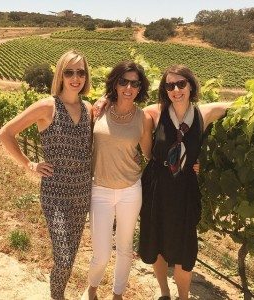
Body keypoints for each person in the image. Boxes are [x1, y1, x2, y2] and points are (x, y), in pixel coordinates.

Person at [0, 50, 93, 300]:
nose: (75, 77)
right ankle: (57, 296)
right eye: (69, 72)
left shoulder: (89, 108)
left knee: (70, 255)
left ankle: (58, 293)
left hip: (83, 192)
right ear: (61, 75)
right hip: (55, 194)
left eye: (80, 72)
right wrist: (28, 164)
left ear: (86, 75)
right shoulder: (47, 106)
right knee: (62, 256)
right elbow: (5, 133)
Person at [138, 64, 232, 300]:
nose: (176, 90)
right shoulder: (154, 113)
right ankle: (164, 293)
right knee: (156, 242)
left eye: (181, 84)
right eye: (170, 85)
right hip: (157, 186)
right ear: (165, 89)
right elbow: (145, 147)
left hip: (185, 189)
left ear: (191, 85)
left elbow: (241, 107)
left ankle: (183, 297)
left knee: (184, 248)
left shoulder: (204, 113)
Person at [81, 61, 153, 300]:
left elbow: (150, 155)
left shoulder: (143, 119)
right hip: (99, 189)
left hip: (130, 191)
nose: (129, 87)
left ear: (140, 87)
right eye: (123, 81)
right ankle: (92, 287)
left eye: (134, 83)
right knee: (101, 253)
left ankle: (118, 293)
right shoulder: (98, 110)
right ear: (115, 83)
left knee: (124, 249)